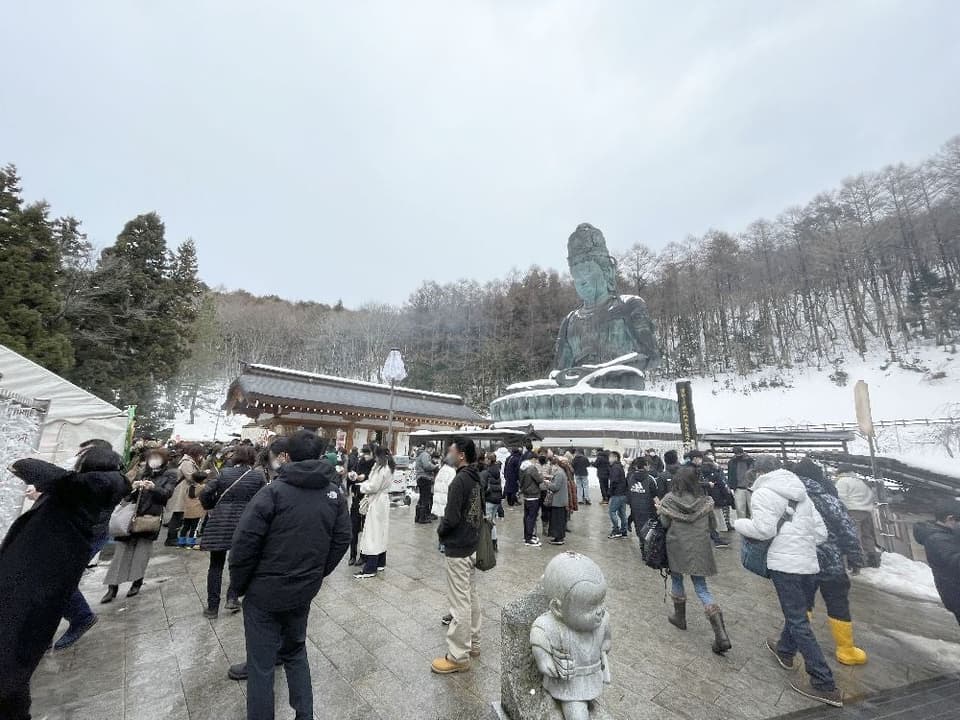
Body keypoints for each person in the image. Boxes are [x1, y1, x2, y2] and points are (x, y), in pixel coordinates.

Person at [229, 430, 350, 720]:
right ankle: (304, 714)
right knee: (295, 651)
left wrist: (240, 585)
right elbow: (342, 539)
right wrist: (318, 573)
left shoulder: (272, 492)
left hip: (264, 592)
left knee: (261, 664)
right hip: (303, 589)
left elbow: (244, 544)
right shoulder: (334, 494)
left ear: (287, 456)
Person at [0, 447, 127, 717]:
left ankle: (82, 618)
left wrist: (55, 477)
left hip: (40, 574)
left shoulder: (91, 485)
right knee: (15, 654)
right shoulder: (84, 489)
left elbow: (29, 466)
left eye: (81, 457)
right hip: (40, 572)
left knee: (12, 654)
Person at [735, 455, 841, 708]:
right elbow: (821, 533)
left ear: (759, 472)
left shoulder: (762, 493)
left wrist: (740, 523)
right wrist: (800, 544)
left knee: (798, 620)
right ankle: (784, 650)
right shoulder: (801, 494)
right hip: (808, 563)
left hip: (785, 565)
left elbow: (764, 530)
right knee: (798, 613)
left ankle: (824, 682)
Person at [792, 458, 867, 665]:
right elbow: (847, 531)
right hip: (831, 562)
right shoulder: (829, 500)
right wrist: (855, 557)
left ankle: (795, 643)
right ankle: (846, 649)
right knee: (838, 603)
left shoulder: (790, 499)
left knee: (802, 603)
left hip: (801, 561)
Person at [55, 440, 127, 649]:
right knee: (56, 580)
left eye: (84, 452)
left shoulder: (102, 481)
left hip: (85, 536)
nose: (79, 456)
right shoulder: (95, 478)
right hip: (77, 535)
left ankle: (81, 616)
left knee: (60, 580)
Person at [657, 466, 731, 655]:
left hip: (677, 546)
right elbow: (713, 525)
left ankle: (680, 618)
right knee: (701, 587)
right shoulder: (705, 501)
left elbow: (664, 523)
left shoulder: (669, 500)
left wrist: (661, 511)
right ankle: (721, 633)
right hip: (699, 547)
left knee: (677, 579)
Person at [432, 436, 483, 674]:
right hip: (472, 543)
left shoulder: (459, 481)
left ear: (461, 455)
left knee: (459, 602)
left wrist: (441, 531)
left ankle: (458, 655)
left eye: (451, 450)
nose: (448, 454)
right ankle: (474, 643)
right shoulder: (476, 477)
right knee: (471, 596)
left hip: (459, 547)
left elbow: (450, 518)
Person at [102, 446, 177, 603]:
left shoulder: (170, 474)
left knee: (141, 554)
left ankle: (136, 582)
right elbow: (127, 494)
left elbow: (166, 494)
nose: (153, 461)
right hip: (130, 516)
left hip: (150, 517)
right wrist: (133, 488)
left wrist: (154, 488)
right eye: (151, 458)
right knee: (121, 553)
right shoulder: (142, 472)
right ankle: (112, 587)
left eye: (157, 458)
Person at [199, 444, 266, 618]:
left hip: (220, 520)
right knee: (239, 562)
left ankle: (212, 607)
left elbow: (205, 492)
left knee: (215, 565)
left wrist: (211, 506)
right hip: (245, 521)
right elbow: (263, 500)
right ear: (253, 458)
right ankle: (232, 597)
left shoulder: (224, 473)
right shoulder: (257, 477)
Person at [913, 500, 960, 626]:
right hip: (956, 595)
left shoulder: (947, 534)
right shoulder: (937, 540)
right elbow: (955, 563)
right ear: (950, 519)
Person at [354, 447, 393, 579]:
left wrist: (362, 487)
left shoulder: (381, 469)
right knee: (381, 532)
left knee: (373, 533)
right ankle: (380, 562)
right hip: (382, 501)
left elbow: (373, 486)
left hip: (377, 501)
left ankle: (370, 567)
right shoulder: (388, 467)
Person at [834, 466, 880, 568]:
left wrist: (842, 512)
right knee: (867, 535)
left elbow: (840, 498)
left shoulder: (842, 481)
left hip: (853, 511)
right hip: (867, 512)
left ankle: (858, 561)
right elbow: (871, 495)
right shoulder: (860, 482)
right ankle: (872, 558)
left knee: (854, 536)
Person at [165, 444, 203, 546]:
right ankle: (171, 538)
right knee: (177, 515)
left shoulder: (188, 461)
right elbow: (190, 477)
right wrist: (202, 475)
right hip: (181, 492)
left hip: (183, 491)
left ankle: (173, 537)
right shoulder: (187, 462)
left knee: (179, 515)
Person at [346, 445, 375, 565]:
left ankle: (363, 556)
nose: (365, 456)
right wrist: (351, 476)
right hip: (356, 499)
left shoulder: (375, 466)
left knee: (366, 529)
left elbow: (375, 482)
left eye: (368, 453)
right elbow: (351, 477)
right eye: (364, 453)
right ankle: (352, 555)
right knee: (353, 528)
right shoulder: (358, 463)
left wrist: (365, 477)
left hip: (368, 500)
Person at [626, 457, 656, 549]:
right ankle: (647, 549)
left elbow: (628, 492)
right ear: (645, 466)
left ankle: (642, 546)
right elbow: (655, 495)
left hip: (635, 508)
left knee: (638, 527)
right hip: (648, 509)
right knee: (648, 529)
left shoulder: (630, 477)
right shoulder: (650, 479)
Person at [703, 450, 734, 533]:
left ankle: (726, 524)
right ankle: (720, 527)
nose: (711, 456)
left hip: (718, 492)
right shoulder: (708, 470)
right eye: (708, 455)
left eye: (711, 454)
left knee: (723, 510)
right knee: (718, 512)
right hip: (715, 493)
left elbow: (722, 478)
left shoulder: (717, 467)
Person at [480, 452, 503, 552]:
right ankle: (494, 543)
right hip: (496, 500)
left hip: (489, 499)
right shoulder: (497, 471)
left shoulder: (486, 472)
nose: (485, 460)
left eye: (486, 458)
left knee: (487, 523)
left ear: (489, 460)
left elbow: (482, 487)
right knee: (492, 521)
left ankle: (488, 544)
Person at [545, 455, 570, 545]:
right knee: (559, 520)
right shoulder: (562, 472)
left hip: (558, 501)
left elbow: (555, 487)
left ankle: (559, 538)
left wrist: (548, 483)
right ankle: (558, 537)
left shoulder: (559, 473)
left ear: (556, 464)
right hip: (560, 500)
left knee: (557, 521)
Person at [520, 455, 543, 547]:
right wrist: (541, 474)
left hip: (526, 495)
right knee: (531, 518)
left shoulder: (523, 468)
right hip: (533, 495)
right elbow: (539, 480)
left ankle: (526, 536)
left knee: (526, 516)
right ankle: (529, 539)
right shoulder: (532, 468)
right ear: (533, 459)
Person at [179, 471, 207, 547]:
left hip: (187, 511)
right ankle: (190, 543)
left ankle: (181, 542)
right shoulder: (202, 487)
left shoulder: (189, 487)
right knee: (194, 528)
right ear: (202, 480)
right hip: (197, 512)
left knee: (185, 527)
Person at [726, 446, 754, 520]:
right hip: (739, 487)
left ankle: (751, 524)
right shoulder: (732, 462)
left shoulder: (750, 461)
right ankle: (743, 524)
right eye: (737, 454)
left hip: (750, 487)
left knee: (751, 509)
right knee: (741, 509)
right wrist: (730, 485)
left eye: (739, 453)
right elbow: (730, 474)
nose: (738, 455)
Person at [414, 442, 439, 524]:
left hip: (420, 478)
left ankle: (418, 517)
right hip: (425, 478)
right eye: (433, 449)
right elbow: (427, 466)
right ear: (430, 448)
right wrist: (435, 466)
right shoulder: (425, 455)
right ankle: (423, 518)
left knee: (422, 498)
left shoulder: (421, 454)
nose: (433, 451)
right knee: (425, 498)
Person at [606, 451, 628, 538]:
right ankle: (624, 531)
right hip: (623, 493)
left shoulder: (615, 467)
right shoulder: (619, 466)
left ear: (615, 457)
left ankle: (616, 530)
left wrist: (610, 492)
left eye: (610, 457)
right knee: (622, 513)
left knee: (612, 511)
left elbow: (614, 481)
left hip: (617, 494)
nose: (609, 459)